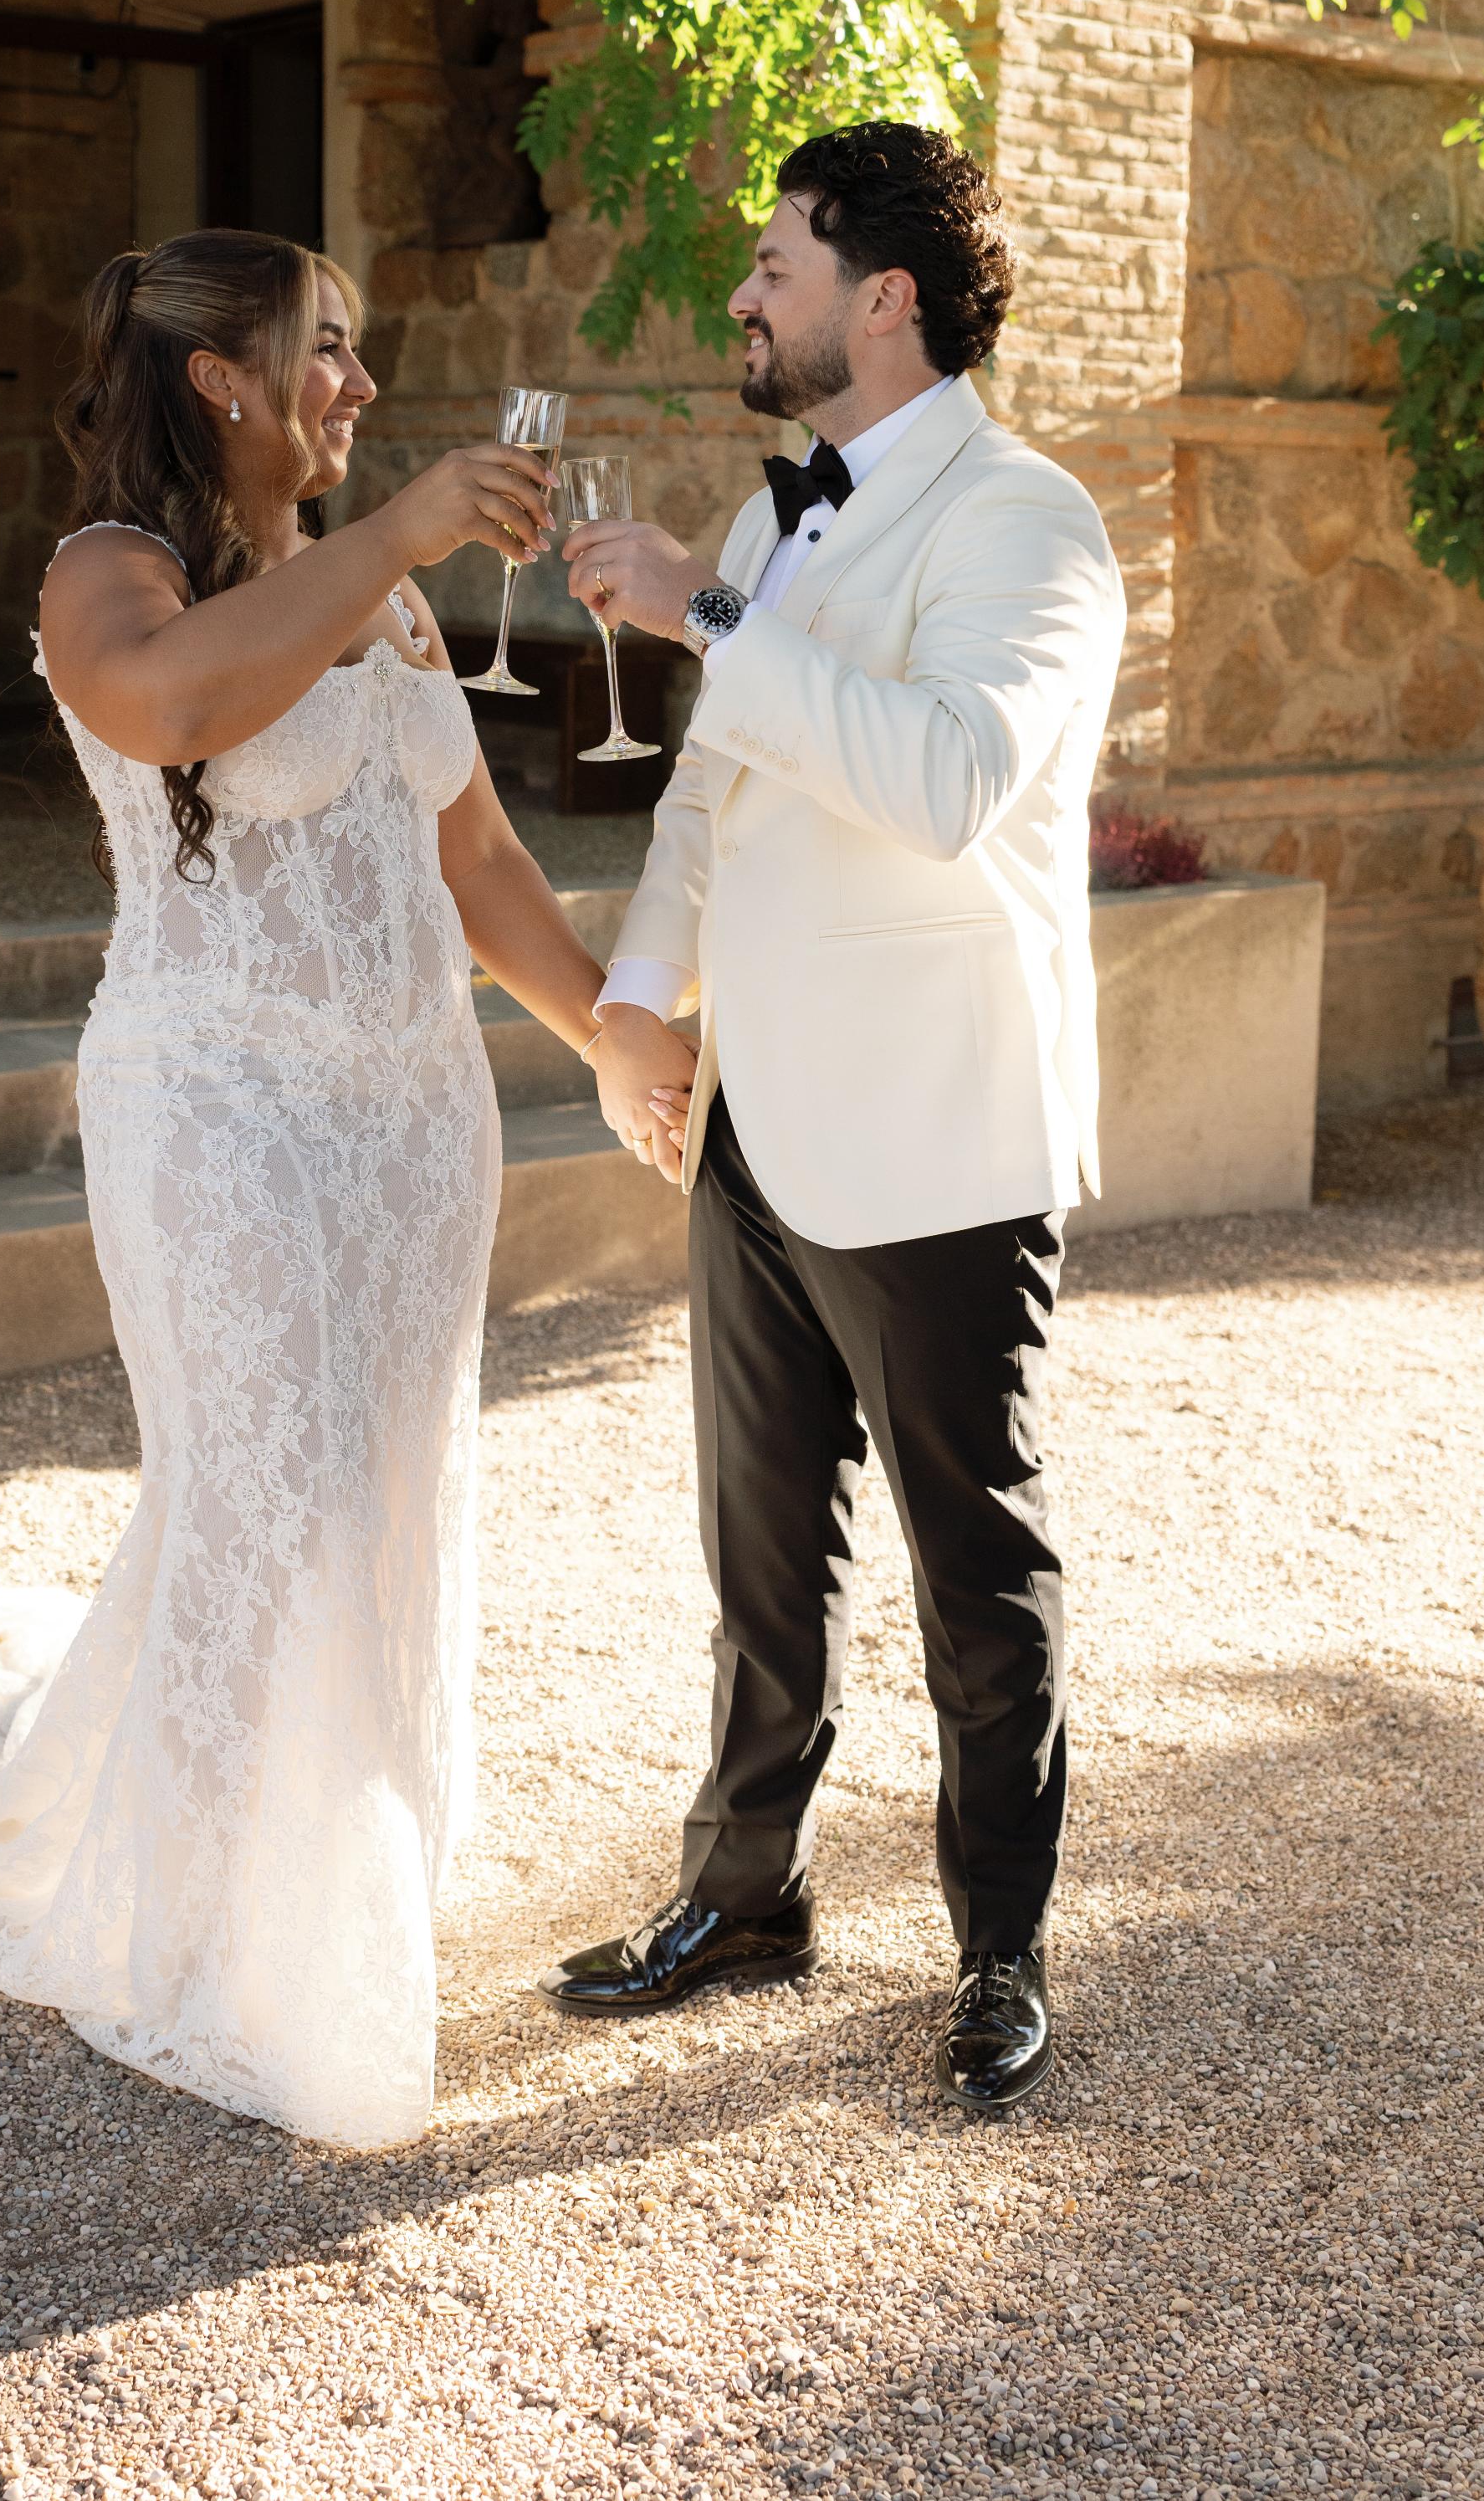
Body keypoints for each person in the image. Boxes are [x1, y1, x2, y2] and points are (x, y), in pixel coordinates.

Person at [0, 229, 605, 2149]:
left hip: (411, 1121)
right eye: (321, 351)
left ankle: (332, 1863)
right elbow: (170, 709)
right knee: (258, 1489)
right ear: (218, 380)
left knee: (375, 1485)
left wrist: (614, 1038)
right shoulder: (113, 574)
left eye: (360, 351)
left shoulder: (387, 601)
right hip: (209, 1107)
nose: (353, 381)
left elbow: (479, 860)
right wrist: (400, 534)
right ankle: (206, 1939)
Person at [547, 122, 1126, 2110]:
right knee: (754, 1543)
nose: (741, 294)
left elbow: (948, 773)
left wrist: (712, 620)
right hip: (754, 1119)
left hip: (935, 1129)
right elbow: (711, 800)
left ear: (880, 297)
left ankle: (994, 1946)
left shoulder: (1026, 520)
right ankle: (747, 1891)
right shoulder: (771, 510)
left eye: (773, 263)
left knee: (974, 1560)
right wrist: (634, 1001)